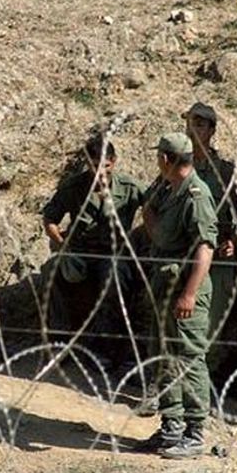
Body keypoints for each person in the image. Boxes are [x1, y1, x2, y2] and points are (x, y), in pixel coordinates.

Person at [137, 132, 218, 459]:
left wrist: (189, 294)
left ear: (167, 159)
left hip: (185, 289)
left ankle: (195, 431)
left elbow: (205, 248)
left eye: (159, 157)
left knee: (188, 358)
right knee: (166, 356)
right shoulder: (169, 189)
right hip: (164, 285)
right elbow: (151, 216)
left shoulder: (195, 196)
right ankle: (172, 426)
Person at [41, 136, 145, 367]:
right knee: (52, 273)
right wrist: (63, 246)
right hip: (79, 251)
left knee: (114, 280)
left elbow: (154, 207)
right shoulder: (73, 187)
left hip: (112, 253)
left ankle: (104, 351)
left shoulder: (129, 187)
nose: (100, 172)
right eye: (94, 165)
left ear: (114, 162)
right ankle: (59, 344)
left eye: (106, 166)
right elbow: (50, 219)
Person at [182, 102, 237, 378]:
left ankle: (200, 376)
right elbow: (154, 205)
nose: (193, 128)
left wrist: (232, 239)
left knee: (210, 318)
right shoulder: (177, 163)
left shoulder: (224, 172)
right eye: (190, 122)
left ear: (212, 131)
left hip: (215, 255)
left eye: (200, 124)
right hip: (180, 250)